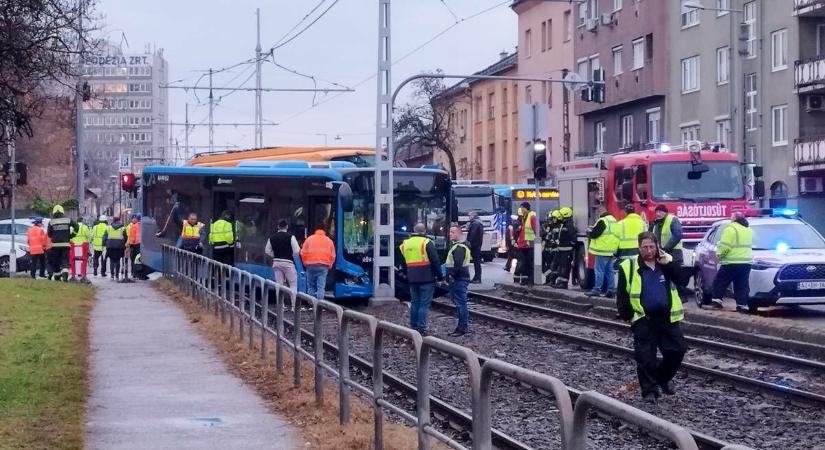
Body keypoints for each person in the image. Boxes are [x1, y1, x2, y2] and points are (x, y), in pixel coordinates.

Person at [617, 231, 688, 403]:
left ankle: (662, 378)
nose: (648, 250)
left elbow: (681, 280)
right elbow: (622, 294)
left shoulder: (666, 262)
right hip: (644, 318)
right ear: (639, 248)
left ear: (657, 246)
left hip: (667, 318)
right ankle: (649, 391)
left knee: (677, 350)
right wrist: (627, 314)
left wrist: (669, 264)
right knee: (645, 357)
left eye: (651, 246)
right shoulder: (629, 265)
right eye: (644, 247)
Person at [399, 222, 443, 335]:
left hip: (412, 278)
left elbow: (403, 262)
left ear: (414, 230)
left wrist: (406, 274)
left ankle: (413, 326)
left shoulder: (405, 244)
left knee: (415, 302)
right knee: (424, 303)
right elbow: (435, 261)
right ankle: (421, 327)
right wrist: (440, 277)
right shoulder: (427, 242)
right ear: (424, 231)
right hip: (427, 278)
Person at [707, 211, 753, 313]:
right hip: (746, 262)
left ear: (734, 219)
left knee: (720, 282)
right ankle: (742, 305)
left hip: (731, 261)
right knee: (741, 284)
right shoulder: (748, 229)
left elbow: (725, 245)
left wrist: (719, 255)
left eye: (731, 217)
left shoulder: (730, 228)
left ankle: (716, 302)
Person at [586, 207, 619, 298]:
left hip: (601, 250)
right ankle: (611, 290)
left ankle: (597, 289)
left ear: (600, 212)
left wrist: (589, 232)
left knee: (599, 270)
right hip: (610, 251)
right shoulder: (614, 221)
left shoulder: (602, 221)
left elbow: (595, 234)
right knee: (609, 271)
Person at [446, 224, 471, 337]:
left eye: (452, 232)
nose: (450, 234)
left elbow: (458, 265)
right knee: (460, 303)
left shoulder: (459, 248)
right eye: (450, 232)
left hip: (459, 278)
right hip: (461, 278)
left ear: (459, 233)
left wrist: (451, 275)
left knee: (461, 303)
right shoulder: (459, 246)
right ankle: (462, 326)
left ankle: (462, 327)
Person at [300, 223, 335, 300]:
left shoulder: (309, 239)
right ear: (324, 231)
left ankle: (312, 305)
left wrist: (304, 263)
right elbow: (333, 255)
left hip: (310, 266)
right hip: (323, 266)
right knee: (321, 287)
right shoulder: (329, 241)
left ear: (316, 230)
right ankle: (319, 305)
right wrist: (330, 265)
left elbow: (302, 252)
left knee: (311, 286)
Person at [266, 219, 301, 291]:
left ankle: (280, 302)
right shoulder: (291, 237)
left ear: (278, 227)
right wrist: (291, 255)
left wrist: (275, 255)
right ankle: (293, 301)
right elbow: (297, 251)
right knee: (293, 284)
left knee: (279, 285)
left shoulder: (272, 237)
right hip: (288, 263)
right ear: (287, 227)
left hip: (276, 263)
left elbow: (267, 251)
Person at [46, 204, 76, 281]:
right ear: (62, 211)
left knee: (56, 260)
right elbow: (76, 226)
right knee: (64, 259)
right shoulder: (67, 219)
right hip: (66, 244)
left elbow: (49, 234)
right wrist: (71, 235)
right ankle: (65, 273)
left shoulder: (51, 222)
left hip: (55, 245)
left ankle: (57, 276)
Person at [552, 207, 578, 289]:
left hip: (567, 250)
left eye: (562, 216)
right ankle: (559, 282)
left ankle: (563, 283)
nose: (560, 217)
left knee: (565, 267)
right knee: (560, 266)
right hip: (561, 249)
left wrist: (571, 244)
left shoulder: (569, 225)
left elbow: (573, 237)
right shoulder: (563, 224)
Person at [515, 202, 538, 287]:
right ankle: (525, 280)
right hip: (525, 244)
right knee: (525, 263)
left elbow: (536, 229)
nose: (521, 210)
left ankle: (530, 281)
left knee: (530, 263)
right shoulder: (525, 217)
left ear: (526, 208)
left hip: (530, 244)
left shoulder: (531, 216)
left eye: (522, 208)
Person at [541, 210, 560, 285]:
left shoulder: (558, 227)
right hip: (546, 249)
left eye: (551, 219)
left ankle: (550, 280)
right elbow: (543, 236)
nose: (550, 221)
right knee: (543, 264)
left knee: (552, 266)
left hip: (553, 250)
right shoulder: (546, 227)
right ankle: (548, 277)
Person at [466, 211, 484, 283]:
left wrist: (468, 242)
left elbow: (473, 234)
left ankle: (477, 278)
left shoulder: (475, 223)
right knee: (477, 262)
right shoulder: (478, 222)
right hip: (477, 245)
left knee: (476, 262)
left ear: (473, 216)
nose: (469, 217)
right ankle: (477, 277)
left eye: (469, 215)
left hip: (475, 245)